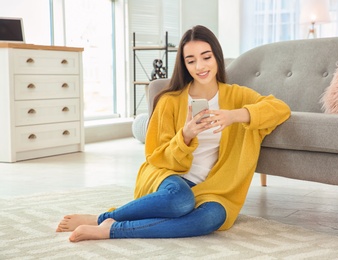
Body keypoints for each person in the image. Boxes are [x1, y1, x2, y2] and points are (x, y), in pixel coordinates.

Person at [56, 25, 291, 242]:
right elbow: (155, 155)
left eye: (206, 57)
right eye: (191, 61)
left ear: (217, 58)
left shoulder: (236, 96)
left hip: (213, 189)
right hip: (170, 178)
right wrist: (185, 136)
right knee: (180, 200)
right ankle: (102, 217)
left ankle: (111, 228)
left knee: (211, 220)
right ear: (184, 65)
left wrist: (233, 116)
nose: (200, 67)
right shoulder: (169, 101)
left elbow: (280, 108)